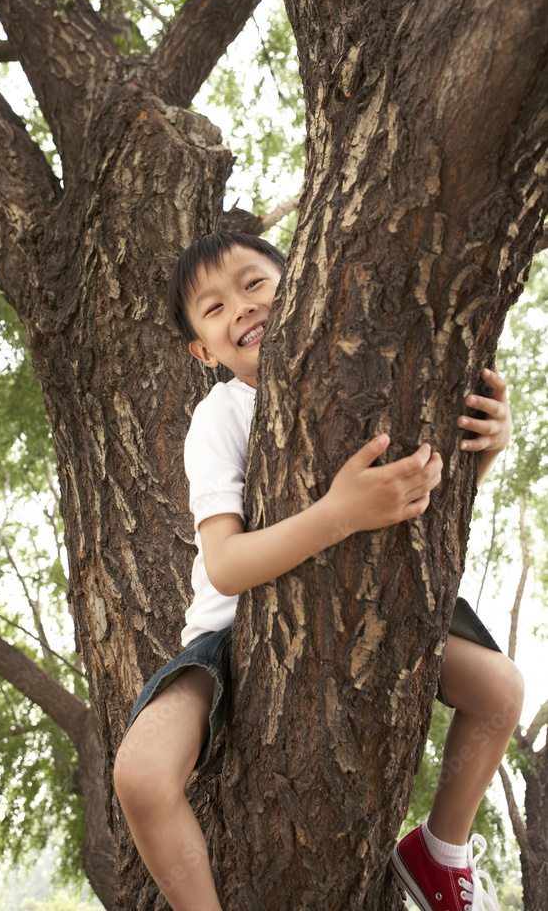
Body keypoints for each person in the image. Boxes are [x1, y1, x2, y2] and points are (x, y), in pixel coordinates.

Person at [113, 232, 522, 911]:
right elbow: (225, 564)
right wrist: (337, 513)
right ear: (202, 351)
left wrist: (486, 447)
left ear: (304, 284)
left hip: (372, 597)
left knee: (500, 690)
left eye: (254, 283)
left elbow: (427, 508)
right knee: (140, 775)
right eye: (213, 309)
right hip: (231, 636)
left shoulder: (363, 376)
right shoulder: (219, 416)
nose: (240, 308)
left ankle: (438, 850)